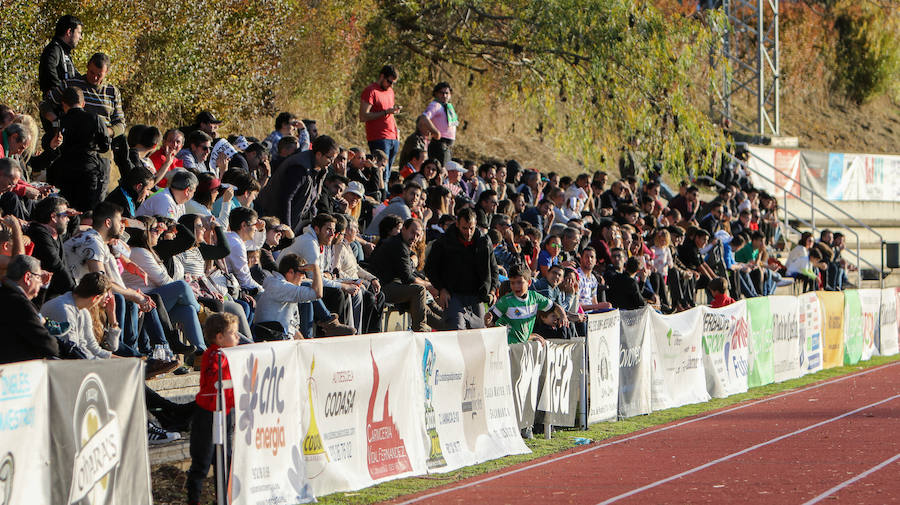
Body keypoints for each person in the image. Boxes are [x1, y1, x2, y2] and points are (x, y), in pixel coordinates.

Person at [40, 52, 125, 197]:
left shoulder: (112, 92)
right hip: (71, 150)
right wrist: (56, 122)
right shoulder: (71, 85)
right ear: (87, 66)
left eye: (99, 74)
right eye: (92, 72)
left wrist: (106, 131)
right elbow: (45, 105)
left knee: (96, 195)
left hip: (100, 152)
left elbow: (121, 124)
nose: (95, 77)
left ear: (106, 73)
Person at [187, 313, 238, 505]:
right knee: (202, 460)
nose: (238, 337)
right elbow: (214, 375)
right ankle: (194, 500)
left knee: (225, 460)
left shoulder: (231, 355)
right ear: (219, 337)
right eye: (233, 333)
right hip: (207, 414)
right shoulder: (212, 355)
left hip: (226, 412)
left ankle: (224, 499)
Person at [425, 208, 499, 330]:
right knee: (456, 327)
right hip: (453, 293)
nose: (468, 232)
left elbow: (493, 269)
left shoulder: (484, 242)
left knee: (478, 331)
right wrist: (441, 289)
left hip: (476, 295)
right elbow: (431, 268)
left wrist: (492, 290)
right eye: (465, 228)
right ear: (457, 224)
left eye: (472, 228)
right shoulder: (444, 242)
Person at [369, 218, 443, 331]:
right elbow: (407, 278)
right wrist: (428, 285)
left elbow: (410, 269)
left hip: (393, 285)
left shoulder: (402, 244)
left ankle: (450, 326)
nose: (414, 237)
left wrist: (427, 284)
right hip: (382, 287)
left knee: (427, 303)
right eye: (412, 232)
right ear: (403, 229)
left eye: (418, 235)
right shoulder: (397, 245)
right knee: (419, 290)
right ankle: (420, 330)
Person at [256, 135, 338, 233]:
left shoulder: (320, 169)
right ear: (319, 154)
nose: (331, 162)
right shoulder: (300, 168)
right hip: (273, 220)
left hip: (295, 221)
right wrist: (287, 228)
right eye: (330, 158)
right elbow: (286, 198)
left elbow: (311, 201)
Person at [47, 86, 109, 211]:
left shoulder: (59, 122)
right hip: (88, 169)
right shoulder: (95, 119)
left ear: (63, 104)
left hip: (64, 170)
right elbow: (105, 146)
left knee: (64, 210)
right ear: (83, 103)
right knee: (86, 211)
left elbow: (52, 146)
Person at [40, 272, 120, 360]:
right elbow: (72, 352)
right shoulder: (63, 310)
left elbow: (92, 347)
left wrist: (121, 361)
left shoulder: (84, 310)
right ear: (95, 298)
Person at [255, 253, 335, 339]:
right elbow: (317, 294)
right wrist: (316, 269)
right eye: (302, 272)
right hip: (272, 337)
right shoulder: (281, 286)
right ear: (290, 272)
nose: (304, 276)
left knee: (307, 300)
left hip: (280, 335)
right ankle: (329, 322)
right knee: (308, 289)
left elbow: (293, 328)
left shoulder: (282, 286)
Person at [486, 263, 566, 344]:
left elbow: (554, 307)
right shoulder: (506, 301)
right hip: (508, 345)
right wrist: (488, 321)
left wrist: (562, 315)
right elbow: (491, 323)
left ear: (529, 282)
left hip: (523, 346)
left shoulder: (535, 297)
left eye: (519, 282)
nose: (516, 286)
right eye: (512, 283)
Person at [0, 255, 59, 364]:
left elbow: (32, 310)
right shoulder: (18, 303)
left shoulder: (6, 294)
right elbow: (48, 344)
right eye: (38, 277)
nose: (40, 282)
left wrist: (42, 289)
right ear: (27, 277)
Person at [26, 195, 78, 298]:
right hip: (43, 297)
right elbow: (55, 265)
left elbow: (72, 231)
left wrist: (74, 216)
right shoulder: (39, 234)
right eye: (65, 216)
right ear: (53, 217)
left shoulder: (54, 234)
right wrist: (75, 292)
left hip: (57, 293)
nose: (68, 219)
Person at [360, 65, 402, 183]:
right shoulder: (371, 91)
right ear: (382, 76)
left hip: (392, 137)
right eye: (389, 81)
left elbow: (390, 115)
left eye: (393, 83)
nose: (391, 85)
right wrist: (385, 112)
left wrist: (396, 131)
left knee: (387, 174)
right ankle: (380, 198)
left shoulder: (390, 92)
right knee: (381, 172)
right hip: (379, 137)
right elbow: (363, 116)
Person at [419, 82, 458, 168]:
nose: (444, 95)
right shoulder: (435, 105)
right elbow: (424, 118)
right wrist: (435, 131)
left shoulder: (448, 107)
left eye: (447, 93)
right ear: (436, 93)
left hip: (448, 145)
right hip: (439, 144)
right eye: (442, 93)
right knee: (441, 171)